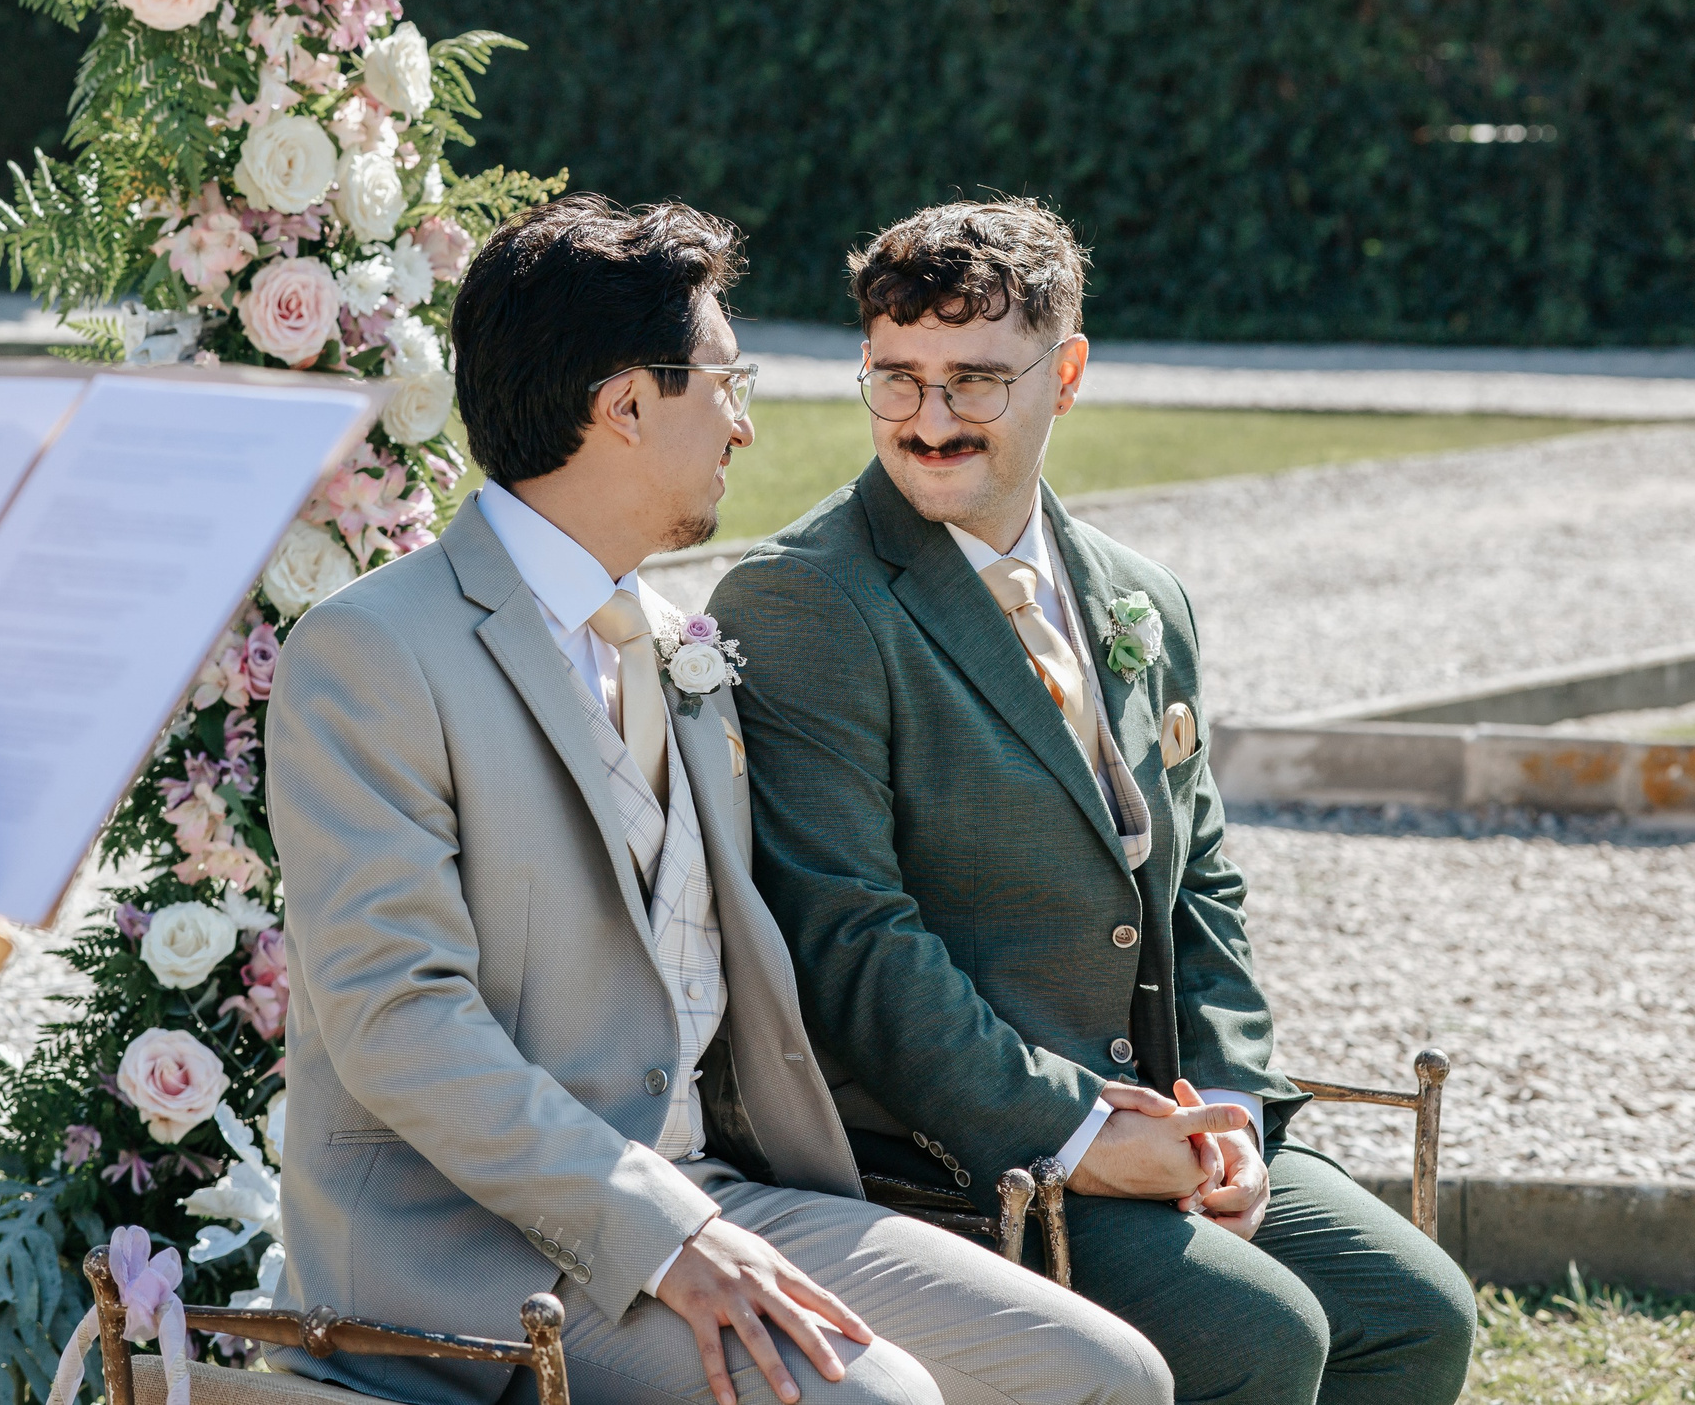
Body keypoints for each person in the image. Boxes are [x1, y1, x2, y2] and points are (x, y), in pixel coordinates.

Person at [264, 195, 1169, 1405]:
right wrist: (660, 1232)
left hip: (716, 1195)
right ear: (627, 405)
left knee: (1102, 1375)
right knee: (873, 1401)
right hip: (464, 1252)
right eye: (726, 383)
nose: (744, 426)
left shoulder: (676, 645)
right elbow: (397, 1023)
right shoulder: (373, 651)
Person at [708, 199, 1477, 1405]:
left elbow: (1202, 879)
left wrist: (1223, 1109)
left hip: (1165, 1110)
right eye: (894, 381)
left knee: (1414, 1316)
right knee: (1258, 1334)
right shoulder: (805, 600)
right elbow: (850, 940)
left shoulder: (1140, 594)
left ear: (1063, 374)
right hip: (951, 1152)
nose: (928, 421)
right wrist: (1078, 1136)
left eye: (973, 382)